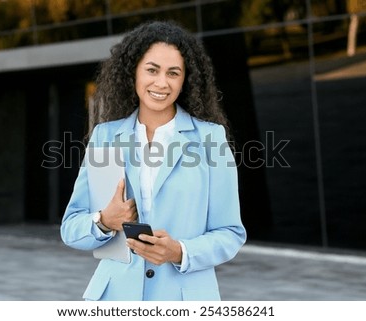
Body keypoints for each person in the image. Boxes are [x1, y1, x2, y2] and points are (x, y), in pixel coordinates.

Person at [60, 20, 246, 301]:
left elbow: (230, 233)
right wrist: (104, 221)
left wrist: (180, 251)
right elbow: (70, 228)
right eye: (152, 70)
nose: (162, 82)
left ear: (185, 80)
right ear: (133, 72)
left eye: (173, 73)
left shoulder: (210, 138)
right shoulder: (106, 136)